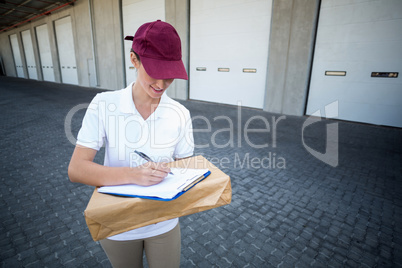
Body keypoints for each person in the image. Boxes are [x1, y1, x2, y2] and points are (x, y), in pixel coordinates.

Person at [68, 20, 194, 268]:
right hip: (118, 223)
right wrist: (133, 175)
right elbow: (76, 170)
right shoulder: (104, 104)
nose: (161, 84)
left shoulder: (180, 113)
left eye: (169, 77)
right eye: (154, 73)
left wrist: (179, 175)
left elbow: (186, 166)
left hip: (164, 222)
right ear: (134, 60)